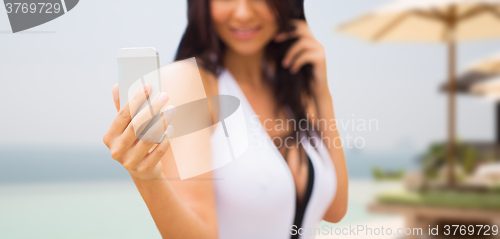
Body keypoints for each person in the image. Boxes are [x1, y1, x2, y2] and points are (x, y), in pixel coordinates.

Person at [103, 0, 348, 238]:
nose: (242, 13)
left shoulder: (292, 89)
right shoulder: (190, 82)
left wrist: (322, 94)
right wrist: (147, 177)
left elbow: (334, 209)